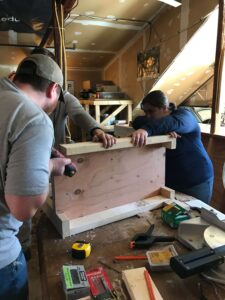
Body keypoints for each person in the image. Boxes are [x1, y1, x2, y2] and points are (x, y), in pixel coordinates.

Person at [0, 53, 71, 299]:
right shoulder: (34, 118)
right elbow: (22, 208)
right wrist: (50, 166)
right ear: (53, 89)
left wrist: (33, 156)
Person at [131, 90, 214, 203]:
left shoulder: (185, 115)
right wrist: (161, 130)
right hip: (172, 181)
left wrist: (147, 129)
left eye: (151, 111)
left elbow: (172, 123)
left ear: (164, 107)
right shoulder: (159, 123)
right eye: (145, 112)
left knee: (196, 217)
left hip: (196, 179)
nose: (148, 116)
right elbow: (137, 121)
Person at [31, 47, 116, 149]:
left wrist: (97, 131)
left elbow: (79, 113)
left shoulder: (62, 96)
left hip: (56, 153)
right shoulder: (18, 99)